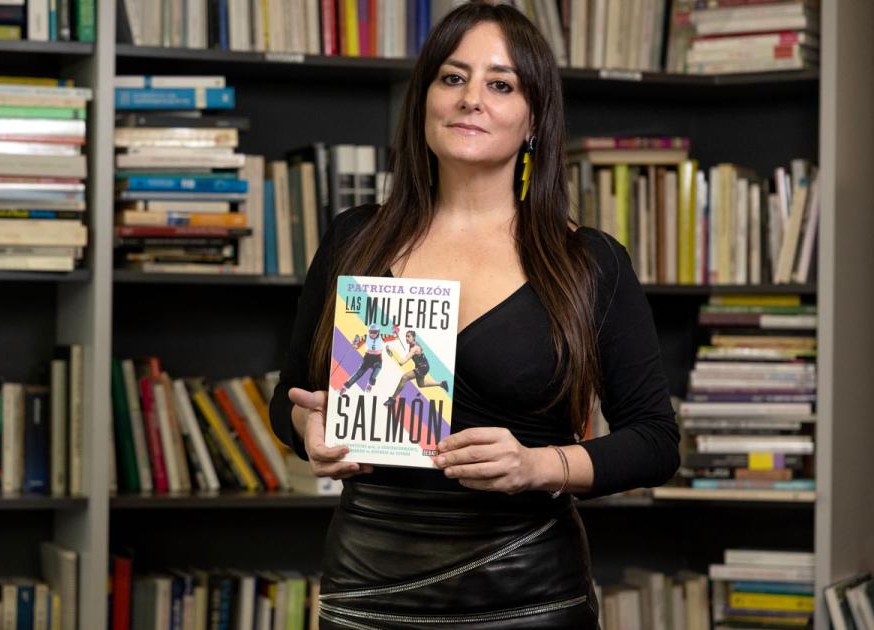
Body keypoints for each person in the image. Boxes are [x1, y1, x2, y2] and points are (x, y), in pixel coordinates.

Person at [267, 3, 681, 628]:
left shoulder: (588, 261)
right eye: (453, 78)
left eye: (501, 84)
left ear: (534, 117)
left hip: (530, 592)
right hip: (368, 588)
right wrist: (307, 425)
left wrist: (537, 466)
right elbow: (289, 399)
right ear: (425, 100)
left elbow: (655, 441)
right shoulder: (354, 239)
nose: (471, 99)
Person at [383, 329, 449, 406]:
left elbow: (402, 363)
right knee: (421, 384)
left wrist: (392, 351)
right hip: (424, 366)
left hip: (422, 367)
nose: (406, 338)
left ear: (413, 337)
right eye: (406, 336)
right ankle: (441, 384)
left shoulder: (414, 348)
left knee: (404, 377)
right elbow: (419, 351)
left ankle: (393, 399)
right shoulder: (414, 344)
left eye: (408, 336)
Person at [340, 323, 387, 394]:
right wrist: (355, 344)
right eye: (371, 332)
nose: (372, 334)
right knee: (359, 373)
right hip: (368, 358)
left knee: (377, 369)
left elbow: (394, 337)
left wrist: (395, 332)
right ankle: (345, 388)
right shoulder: (365, 337)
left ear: (378, 332)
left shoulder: (382, 336)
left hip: (377, 359)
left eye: (374, 332)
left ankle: (370, 384)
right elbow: (357, 346)